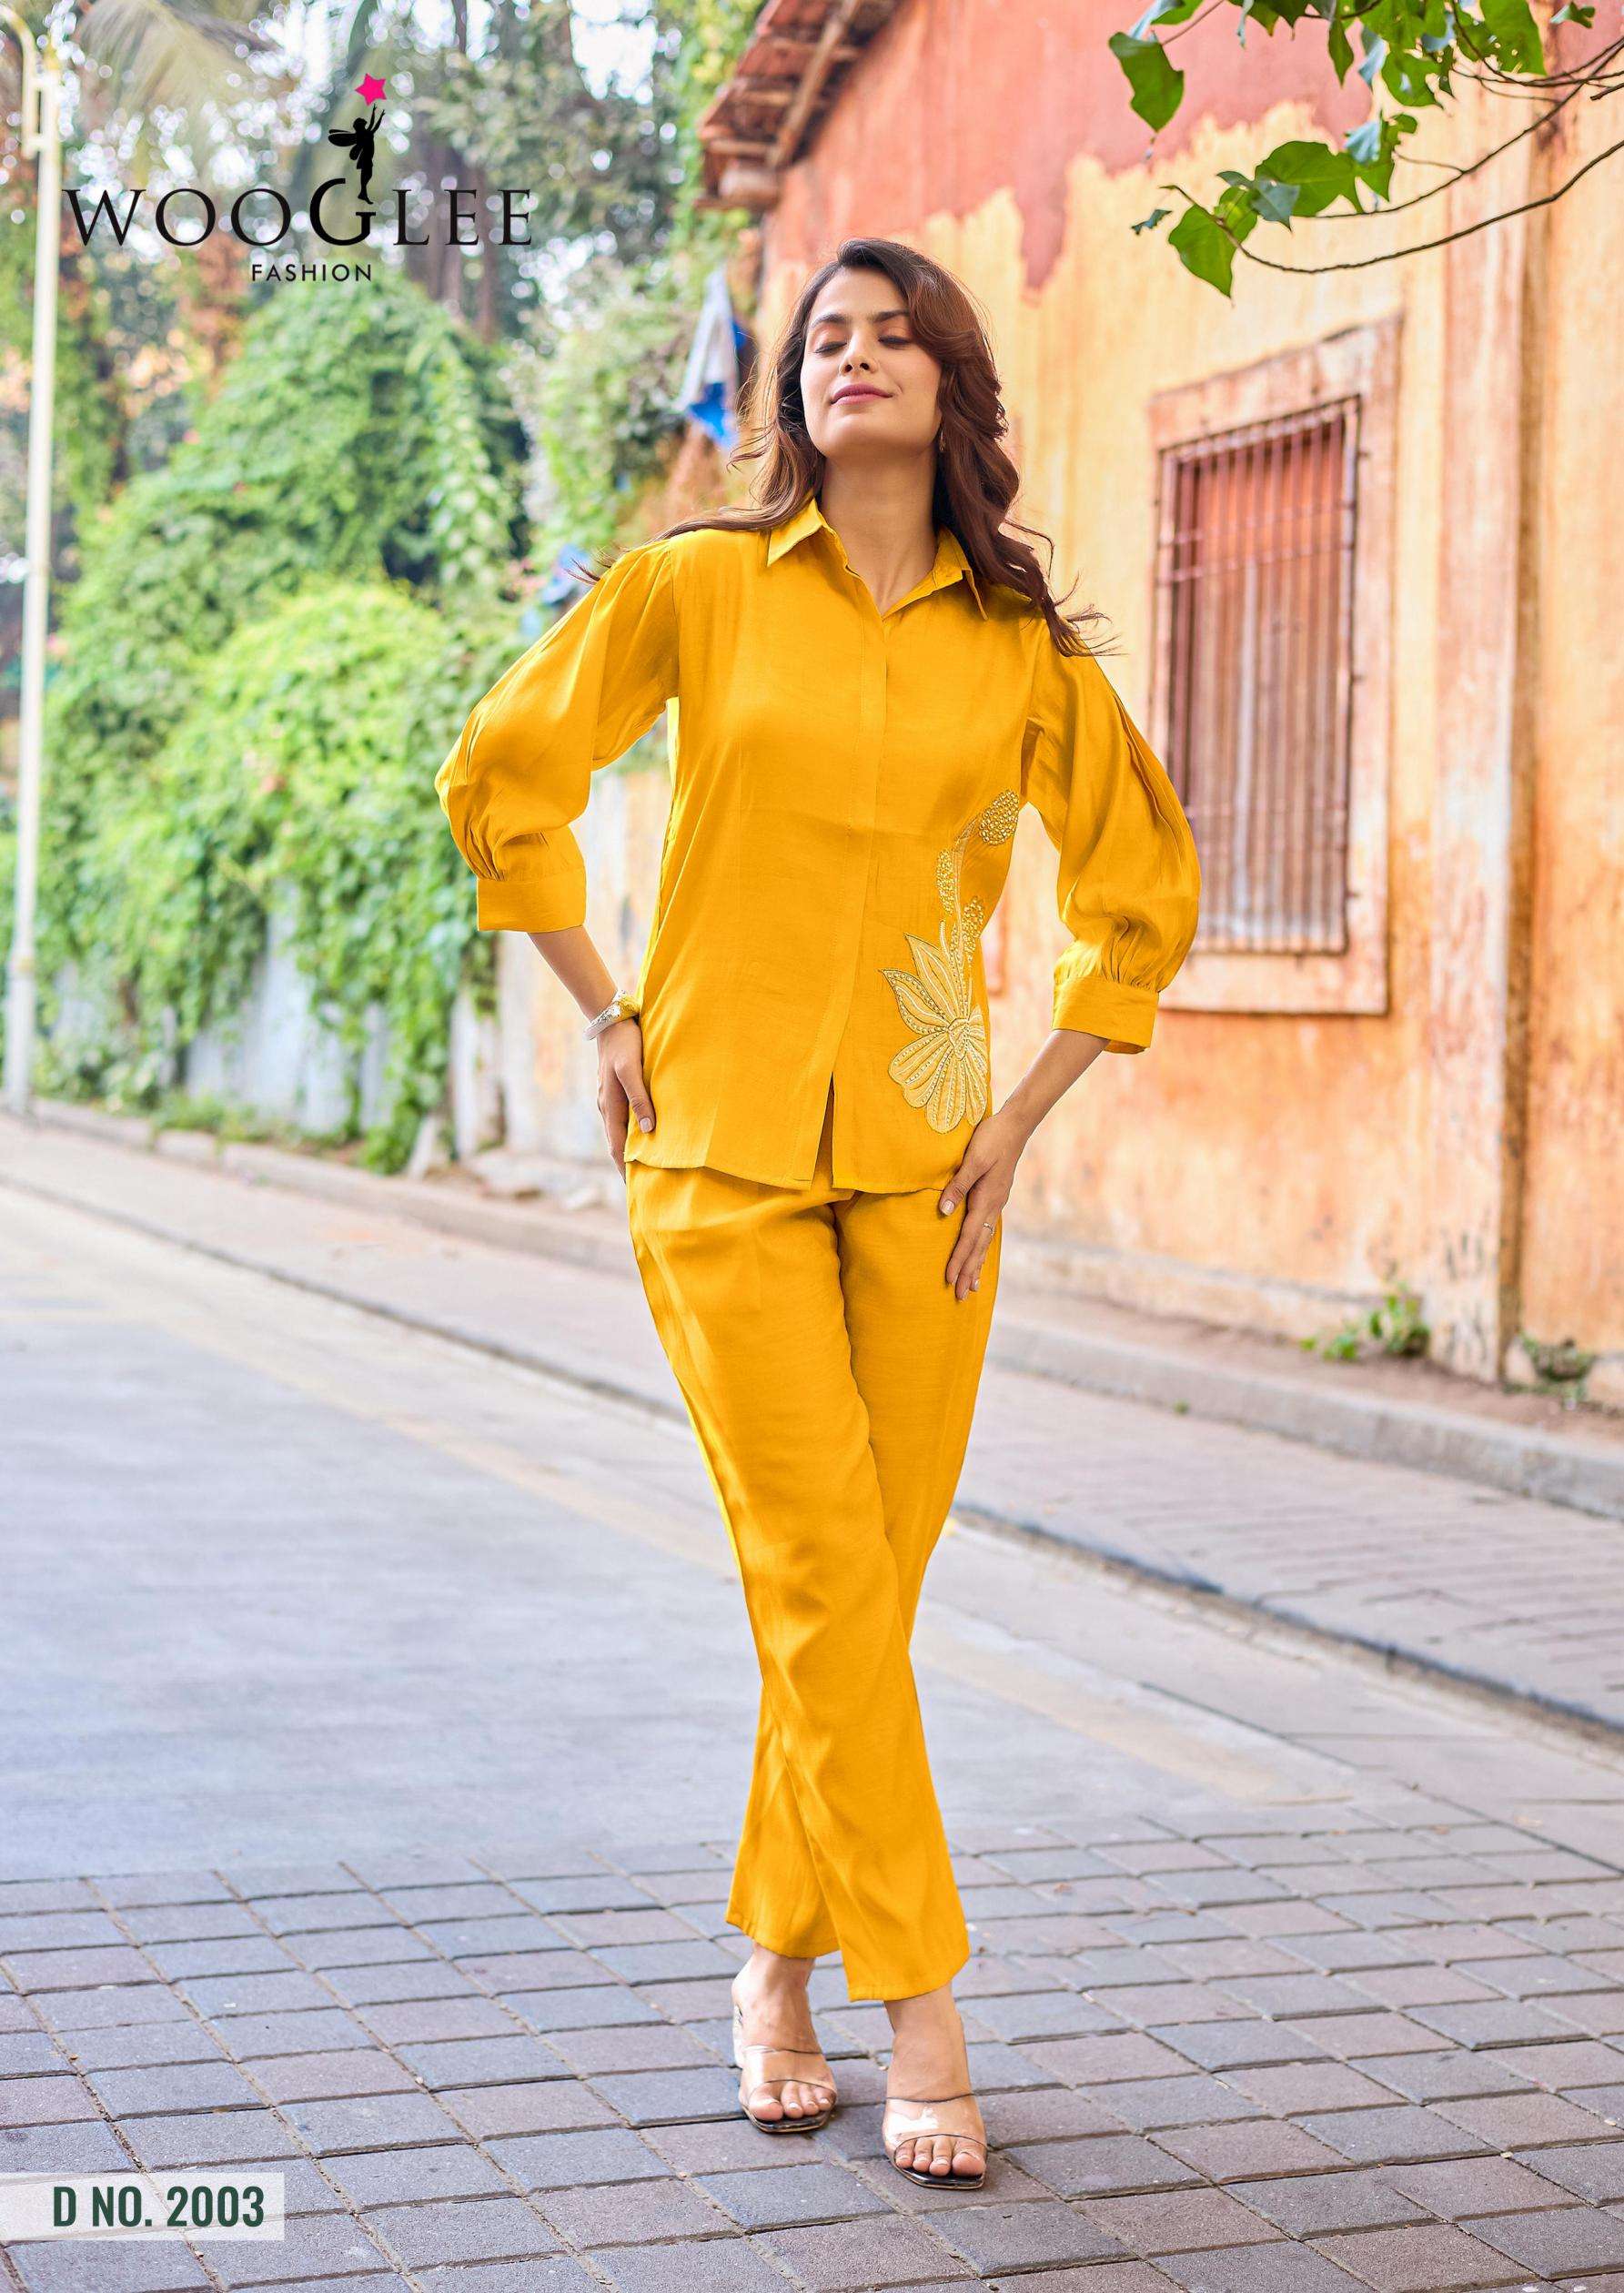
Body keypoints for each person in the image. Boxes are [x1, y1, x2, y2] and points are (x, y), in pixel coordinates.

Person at [436, 234, 1201, 2187]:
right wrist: (601, 1002)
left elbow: (1137, 885)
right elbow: (505, 772)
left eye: (889, 333)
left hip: (931, 1174)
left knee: (862, 1589)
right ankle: (922, 2004)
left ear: (948, 384)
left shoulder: (1017, 651)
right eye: (822, 338)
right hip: (715, 1154)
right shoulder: (693, 587)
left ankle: (771, 1967)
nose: (850, 355)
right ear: (791, 393)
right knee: (818, 1572)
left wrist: (1020, 1116)